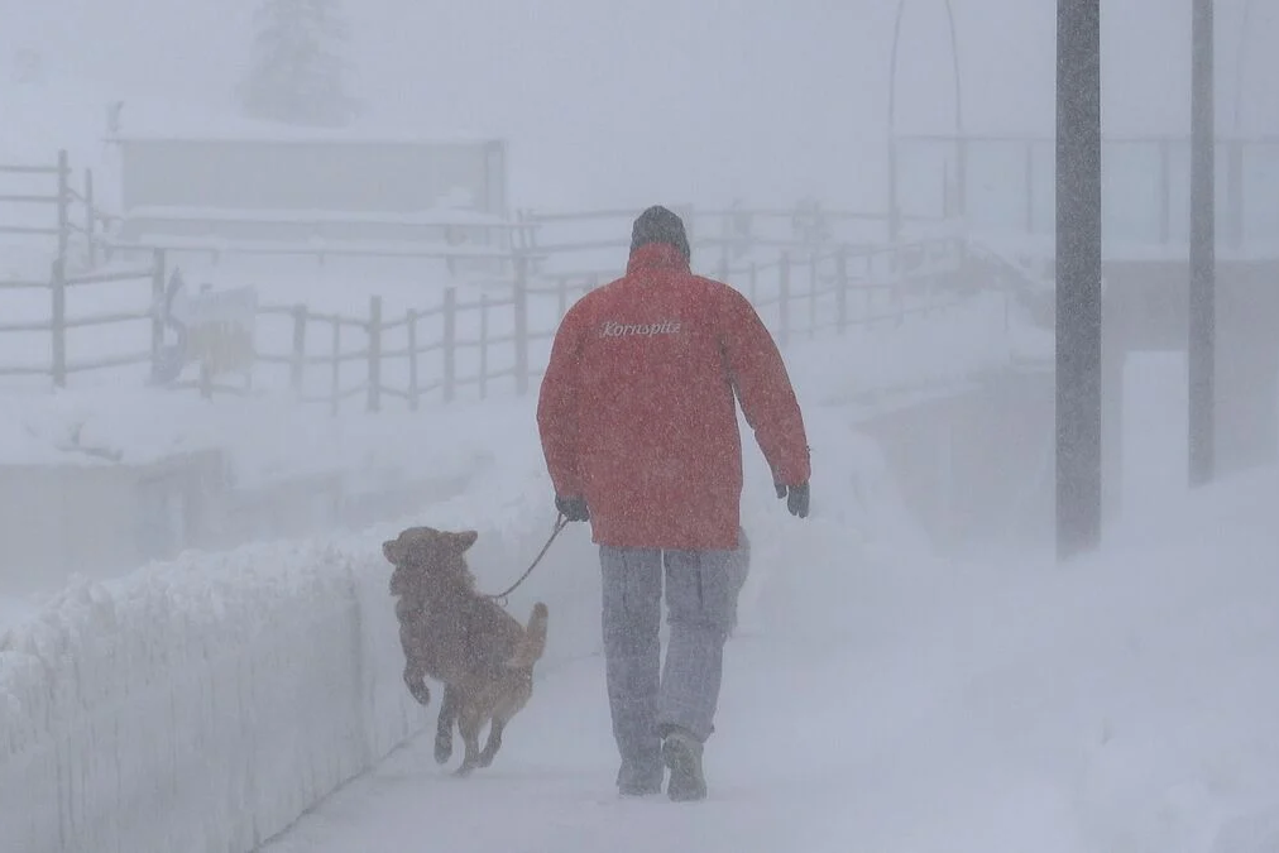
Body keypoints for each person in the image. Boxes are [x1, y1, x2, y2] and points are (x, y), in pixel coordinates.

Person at [536, 205, 811, 802]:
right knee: (697, 620)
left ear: (633, 251)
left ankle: (637, 760)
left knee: (629, 630)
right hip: (700, 495)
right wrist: (790, 467)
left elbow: (555, 405)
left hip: (622, 497)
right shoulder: (716, 304)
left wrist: (569, 483)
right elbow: (766, 384)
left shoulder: (592, 313)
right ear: (682, 250)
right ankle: (683, 730)